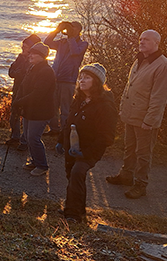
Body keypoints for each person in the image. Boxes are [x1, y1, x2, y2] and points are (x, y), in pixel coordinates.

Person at [106, 30, 167, 199]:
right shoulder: (139, 60)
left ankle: (141, 184)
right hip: (131, 114)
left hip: (145, 119)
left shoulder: (163, 66)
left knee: (143, 154)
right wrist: (123, 108)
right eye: (141, 39)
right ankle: (126, 176)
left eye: (146, 40)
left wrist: (150, 121)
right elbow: (129, 87)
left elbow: (159, 97)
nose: (142, 42)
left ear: (156, 43)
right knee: (129, 148)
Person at [56, 63, 117, 223]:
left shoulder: (105, 105)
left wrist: (87, 152)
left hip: (89, 149)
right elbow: (69, 121)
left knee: (77, 173)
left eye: (87, 77)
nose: (82, 80)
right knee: (72, 175)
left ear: (97, 81)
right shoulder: (79, 99)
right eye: (81, 77)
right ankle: (77, 210)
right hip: (72, 147)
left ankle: (72, 215)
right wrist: (61, 140)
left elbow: (107, 136)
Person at [12, 42, 56, 176]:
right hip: (29, 109)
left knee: (33, 138)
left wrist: (20, 102)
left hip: (41, 111)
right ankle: (35, 160)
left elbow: (38, 94)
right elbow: (23, 86)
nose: (30, 55)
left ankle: (42, 165)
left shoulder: (46, 71)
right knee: (27, 136)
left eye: (33, 53)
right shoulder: (33, 68)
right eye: (30, 53)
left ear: (41, 56)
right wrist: (17, 101)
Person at [44, 21, 88, 136]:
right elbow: (47, 43)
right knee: (52, 106)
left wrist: (71, 37)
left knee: (65, 109)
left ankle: (64, 131)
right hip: (55, 78)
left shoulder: (83, 44)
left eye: (73, 28)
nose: (70, 30)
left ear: (78, 30)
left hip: (68, 80)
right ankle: (54, 129)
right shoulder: (62, 42)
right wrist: (57, 30)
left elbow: (75, 52)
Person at [7, 34, 41, 149]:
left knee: (27, 116)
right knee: (14, 114)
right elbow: (11, 72)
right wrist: (19, 70)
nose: (23, 49)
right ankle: (15, 136)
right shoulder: (20, 58)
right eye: (22, 46)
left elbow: (26, 74)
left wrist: (19, 71)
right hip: (17, 89)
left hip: (27, 92)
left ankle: (25, 141)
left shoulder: (34, 62)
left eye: (25, 47)